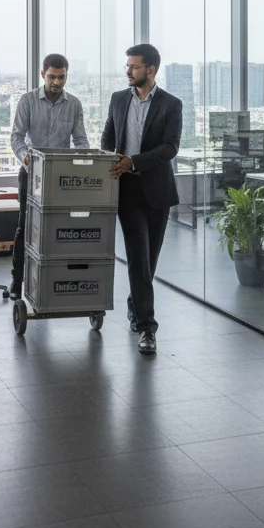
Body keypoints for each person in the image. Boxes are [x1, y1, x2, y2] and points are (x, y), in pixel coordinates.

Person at [100, 43, 182, 356]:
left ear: (150, 69)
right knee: (138, 255)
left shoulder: (171, 104)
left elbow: (169, 148)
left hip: (157, 190)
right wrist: (111, 161)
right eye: (128, 66)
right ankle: (147, 327)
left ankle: (136, 304)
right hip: (127, 191)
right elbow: (109, 137)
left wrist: (133, 160)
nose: (128, 71)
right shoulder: (118, 99)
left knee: (150, 259)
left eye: (134, 66)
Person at [8, 53, 89, 299]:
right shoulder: (28, 101)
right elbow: (16, 137)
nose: (56, 82)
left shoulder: (74, 104)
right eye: (52, 77)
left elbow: (81, 139)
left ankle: (53, 278)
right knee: (25, 227)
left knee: (60, 226)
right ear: (43, 75)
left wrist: (86, 163)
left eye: (61, 77)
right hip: (31, 174)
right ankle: (17, 281)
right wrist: (25, 157)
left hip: (61, 177)